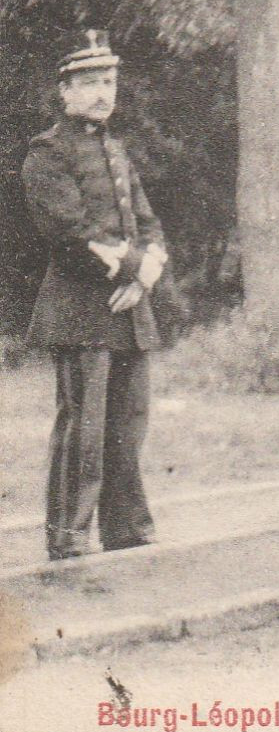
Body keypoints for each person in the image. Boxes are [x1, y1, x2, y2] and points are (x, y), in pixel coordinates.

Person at [22, 31, 168, 560]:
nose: (102, 92)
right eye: (89, 83)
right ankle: (70, 532)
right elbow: (69, 230)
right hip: (80, 308)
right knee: (83, 422)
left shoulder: (116, 150)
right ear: (65, 91)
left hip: (129, 306)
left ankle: (127, 527)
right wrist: (130, 267)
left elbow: (148, 223)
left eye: (109, 81)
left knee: (129, 422)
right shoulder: (47, 151)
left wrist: (143, 276)